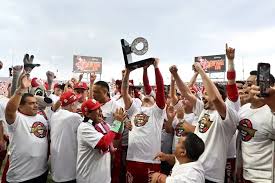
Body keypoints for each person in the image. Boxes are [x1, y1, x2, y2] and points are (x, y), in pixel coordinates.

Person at [170, 62, 239, 183]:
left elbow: (215, 98)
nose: (203, 96)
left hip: (211, 175)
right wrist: (175, 75)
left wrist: (201, 71)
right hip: (193, 170)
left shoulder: (228, 116)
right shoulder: (203, 109)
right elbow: (186, 93)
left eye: (206, 93)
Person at [122, 58, 166, 183]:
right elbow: (124, 92)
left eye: (151, 96)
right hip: (132, 159)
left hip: (151, 161)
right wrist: (127, 73)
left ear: (155, 101)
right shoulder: (134, 110)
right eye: (146, 95)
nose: (148, 95)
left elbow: (161, 88)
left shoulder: (157, 112)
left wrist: (156, 67)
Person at [5, 72, 49, 183]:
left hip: (41, 172)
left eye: (35, 103)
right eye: (31, 103)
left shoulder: (42, 118)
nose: (35, 105)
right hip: (21, 176)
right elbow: (10, 111)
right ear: (20, 106)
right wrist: (21, 89)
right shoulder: (17, 119)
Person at [76, 99, 126, 183]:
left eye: (100, 108)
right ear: (87, 114)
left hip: (103, 177)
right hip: (89, 178)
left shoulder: (101, 124)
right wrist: (116, 122)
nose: (100, 112)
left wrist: (120, 122)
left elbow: (116, 135)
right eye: (97, 110)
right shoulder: (84, 127)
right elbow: (103, 143)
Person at [237, 73, 275, 182]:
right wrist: (239, 166)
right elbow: (241, 142)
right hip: (246, 176)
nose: (244, 88)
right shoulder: (243, 109)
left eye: (249, 85)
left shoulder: (271, 113)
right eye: (244, 84)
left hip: (266, 179)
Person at [49, 91, 82, 183]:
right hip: (69, 168)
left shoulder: (55, 115)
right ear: (72, 105)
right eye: (76, 103)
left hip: (56, 165)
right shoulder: (75, 117)